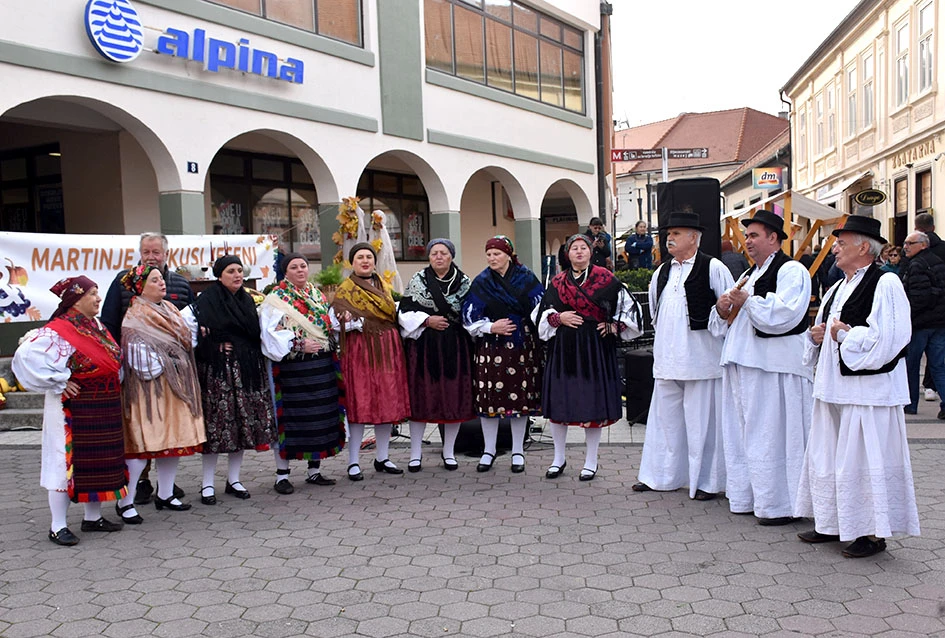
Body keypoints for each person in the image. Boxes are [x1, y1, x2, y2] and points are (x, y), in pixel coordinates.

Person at [794, 215, 919, 558]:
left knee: (865, 461)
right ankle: (832, 521)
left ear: (864, 247)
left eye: (841, 243)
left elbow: (892, 338)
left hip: (868, 392)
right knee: (831, 456)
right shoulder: (837, 286)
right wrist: (817, 336)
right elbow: (824, 330)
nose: (834, 249)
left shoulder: (886, 284)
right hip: (835, 387)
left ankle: (872, 533)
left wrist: (845, 336)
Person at [711, 209, 812, 526]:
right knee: (745, 434)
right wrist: (722, 307)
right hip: (746, 364)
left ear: (774, 238)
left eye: (754, 236)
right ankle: (749, 496)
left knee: (772, 434)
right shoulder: (749, 275)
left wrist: (746, 301)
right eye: (747, 236)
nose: (748, 242)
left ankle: (780, 503)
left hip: (773, 368)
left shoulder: (792, 271)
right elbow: (724, 322)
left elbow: (785, 314)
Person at [13, 276, 125, 545]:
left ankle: (92, 517)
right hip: (71, 408)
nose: (99, 298)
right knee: (64, 463)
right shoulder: (58, 330)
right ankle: (58, 525)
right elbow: (25, 356)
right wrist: (60, 380)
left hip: (101, 402)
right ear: (76, 299)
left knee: (98, 460)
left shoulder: (95, 325)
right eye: (93, 293)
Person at [633, 212, 733, 499]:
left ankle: (707, 482)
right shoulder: (661, 271)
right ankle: (660, 476)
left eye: (676, 233)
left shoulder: (713, 267)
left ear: (693, 237)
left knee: (703, 424)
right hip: (667, 359)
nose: (670, 238)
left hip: (701, 360)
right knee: (665, 421)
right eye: (668, 234)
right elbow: (655, 311)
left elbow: (727, 309)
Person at [535, 234, 641, 480]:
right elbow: (542, 313)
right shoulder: (558, 281)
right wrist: (558, 318)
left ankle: (591, 461)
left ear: (591, 252)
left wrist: (615, 327)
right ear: (567, 253)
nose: (579, 252)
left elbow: (629, 310)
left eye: (583, 248)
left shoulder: (607, 279)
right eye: (574, 248)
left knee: (592, 405)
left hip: (595, 348)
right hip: (563, 348)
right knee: (561, 402)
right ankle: (558, 458)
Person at [100, 232, 195, 505]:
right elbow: (109, 322)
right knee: (142, 433)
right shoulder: (123, 282)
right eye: (146, 252)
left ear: (166, 253)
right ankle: (137, 487)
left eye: (156, 252)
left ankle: (166, 490)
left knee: (170, 431)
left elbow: (187, 323)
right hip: (139, 370)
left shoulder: (179, 283)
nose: (151, 256)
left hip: (175, 373)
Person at [182, 254, 276, 504]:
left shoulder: (248, 301)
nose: (237, 275)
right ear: (219, 275)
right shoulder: (204, 303)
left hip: (246, 370)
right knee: (217, 429)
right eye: (231, 271)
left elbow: (256, 335)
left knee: (242, 427)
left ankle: (234, 479)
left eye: (239, 270)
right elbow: (190, 339)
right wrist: (212, 345)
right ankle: (207, 484)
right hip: (218, 373)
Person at [114, 266, 205, 522]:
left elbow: (188, 339)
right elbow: (138, 357)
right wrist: (173, 358)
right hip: (149, 390)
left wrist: (178, 353)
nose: (162, 283)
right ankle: (126, 501)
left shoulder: (171, 309)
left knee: (173, 443)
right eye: (154, 280)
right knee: (142, 448)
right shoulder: (135, 315)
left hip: (174, 386)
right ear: (141, 286)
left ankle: (165, 494)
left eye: (161, 279)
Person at [260, 253, 345, 494]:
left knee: (319, 417)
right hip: (292, 369)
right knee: (290, 419)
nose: (300, 270)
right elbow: (270, 334)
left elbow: (327, 324)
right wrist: (299, 344)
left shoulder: (316, 294)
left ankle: (314, 470)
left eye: (303, 266)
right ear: (285, 272)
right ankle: (282, 475)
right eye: (294, 267)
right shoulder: (276, 298)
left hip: (321, 364)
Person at [462, 236, 544, 473]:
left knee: (520, 400)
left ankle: (517, 450)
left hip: (522, 347)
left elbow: (541, 309)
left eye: (496, 254)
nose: (492, 258)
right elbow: (468, 316)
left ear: (508, 254)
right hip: (491, 347)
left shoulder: (527, 278)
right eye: (488, 254)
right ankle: (489, 450)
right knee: (490, 401)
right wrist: (490, 327)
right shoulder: (481, 282)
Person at [331, 242, 411, 480]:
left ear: (374, 261)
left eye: (369, 257)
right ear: (352, 263)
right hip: (360, 349)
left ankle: (382, 457)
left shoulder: (383, 285)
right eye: (360, 258)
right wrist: (350, 320)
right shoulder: (346, 289)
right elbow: (335, 321)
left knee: (387, 400)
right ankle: (353, 461)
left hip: (387, 347)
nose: (365, 261)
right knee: (360, 401)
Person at [398, 239, 475, 471]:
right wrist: (426, 320)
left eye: (443, 253)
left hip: (456, 347)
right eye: (434, 253)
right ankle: (415, 454)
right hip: (424, 347)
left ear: (451, 256)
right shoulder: (418, 280)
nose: (438, 257)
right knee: (421, 398)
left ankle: (449, 452)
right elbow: (404, 312)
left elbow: (472, 312)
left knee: (453, 399)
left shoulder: (464, 282)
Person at [900, 232, 945, 419]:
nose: (905, 247)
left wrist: (907, 315)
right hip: (939, 322)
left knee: (912, 364)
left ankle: (910, 404)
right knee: (939, 365)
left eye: (910, 243)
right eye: (905, 243)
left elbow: (919, 298)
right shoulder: (937, 261)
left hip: (921, 324)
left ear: (923, 245)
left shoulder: (917, 265)